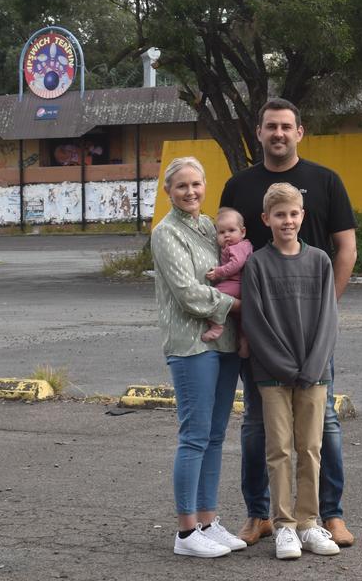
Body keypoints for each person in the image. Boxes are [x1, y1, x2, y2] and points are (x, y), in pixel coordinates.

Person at [220, 98, 358, 548]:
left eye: (286, 126)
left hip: (313, 333)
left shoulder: (326, 181)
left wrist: (325, 313)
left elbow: (346, 250)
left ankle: (327, 515)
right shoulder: (238, 186)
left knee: (324, 428)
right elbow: (224, 253)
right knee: (259, 427)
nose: (278, 134)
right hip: (259, 332)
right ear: (258, 133)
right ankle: (261, 515)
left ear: (300, 131)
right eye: (270, 127)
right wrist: (242, 325)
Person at [150, 156, 248, 558]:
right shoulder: (166, 232)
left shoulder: (210, 226)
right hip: (190, 344)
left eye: (196, 184)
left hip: (223, 344)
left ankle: (208, 520)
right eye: (181, 186)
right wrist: (240, 306)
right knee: (194, 436)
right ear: (168, 191)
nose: (190, 192)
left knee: (215, 435)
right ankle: (187, 533)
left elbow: (234, 262)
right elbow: (189, 293)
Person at [241, 182, 342, 559]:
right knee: (279, 449)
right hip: (272, 376)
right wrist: (285, 368)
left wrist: (313, 366)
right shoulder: (257, 265)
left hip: (314, 374)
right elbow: (255, 321)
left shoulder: (319, 261)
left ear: (303, 216)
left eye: (293, 213)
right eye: (279, 214)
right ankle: (283, 525)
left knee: (311, 448)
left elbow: (328, 320)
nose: (287, 220)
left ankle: (308, 523)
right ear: (266, 219)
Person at [202, 207, 253, 351]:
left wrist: (218, 272)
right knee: (240, 319)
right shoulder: (239, 245)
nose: (227, 235)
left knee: (213, 296)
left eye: (231, 230)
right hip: (240, 285)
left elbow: (235, 265)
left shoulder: (238, 247)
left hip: (236, 284)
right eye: (222, 232)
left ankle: (216, 325)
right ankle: (244, 341)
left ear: (242, 232)